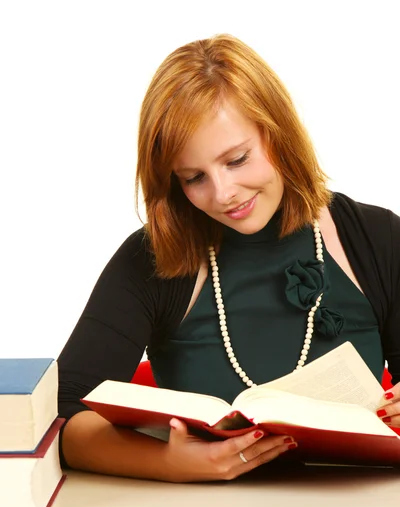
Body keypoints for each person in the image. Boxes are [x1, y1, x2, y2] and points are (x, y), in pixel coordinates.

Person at [58, 33, 400, 483]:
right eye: (194, 177)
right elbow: (64, 419)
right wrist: (167, 464)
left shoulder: (374, 239)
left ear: (279, 134)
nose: (223, 195)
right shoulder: (151, 259)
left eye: (237, 160)